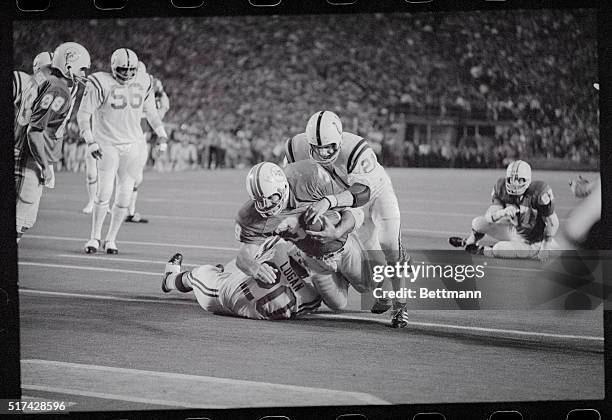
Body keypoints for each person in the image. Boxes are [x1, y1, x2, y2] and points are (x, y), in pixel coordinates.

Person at [285, 110, 408, 326]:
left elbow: (362, 193)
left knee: (389, 245)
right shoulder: (296, 148)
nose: (324, 154)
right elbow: (284, 184)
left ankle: (400, 305)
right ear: (309, 143)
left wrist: (329, 202)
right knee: (370, 260)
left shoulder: (355, 148)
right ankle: (380, 292)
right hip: (342, 200)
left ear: (340, 140)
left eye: (330, 147)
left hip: (374, 194)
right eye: (318, 148)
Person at [78, 48, 168, 254]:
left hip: (133, 144)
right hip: (107, 143)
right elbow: (83, 115)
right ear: (113, 67)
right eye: (123, 69)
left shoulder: (145, 80)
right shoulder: (99, 82)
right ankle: (94, 237)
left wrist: (162, 134)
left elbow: (152, 113)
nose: (127, 74)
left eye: (130, 70)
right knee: (104, 192)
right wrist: (90, 140)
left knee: (125, 195)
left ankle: (111, 239)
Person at [14, 43, 90, 242]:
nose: (84, 73)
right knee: (18, 221)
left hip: (26, 154)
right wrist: (46, 166)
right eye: (82, 67)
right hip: (28, 158)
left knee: (25, 222)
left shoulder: (39, 78)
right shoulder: (57, 89)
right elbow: (35, 131)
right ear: (68, 65)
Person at [161, 237, 322, 320]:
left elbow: (246, 257)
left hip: (218, 293)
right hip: (239, 304)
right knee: (245, 268)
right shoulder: (311, 297)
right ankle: (221, 272)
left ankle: (169, 279)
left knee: (195, 275)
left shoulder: (279, 249)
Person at [449, 160, 560, 261]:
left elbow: (553, 223)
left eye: (519, 179)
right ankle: (468, 243)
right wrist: (502, 212)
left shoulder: (538, 193)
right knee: (478, 223)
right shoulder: (501, 188)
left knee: (499, 249)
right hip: (516, 231)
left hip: (534, 242)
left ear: (527, 180)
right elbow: (489, 217)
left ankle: (482, 250)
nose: (514, 183)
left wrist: (544, 248)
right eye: (511, 179)